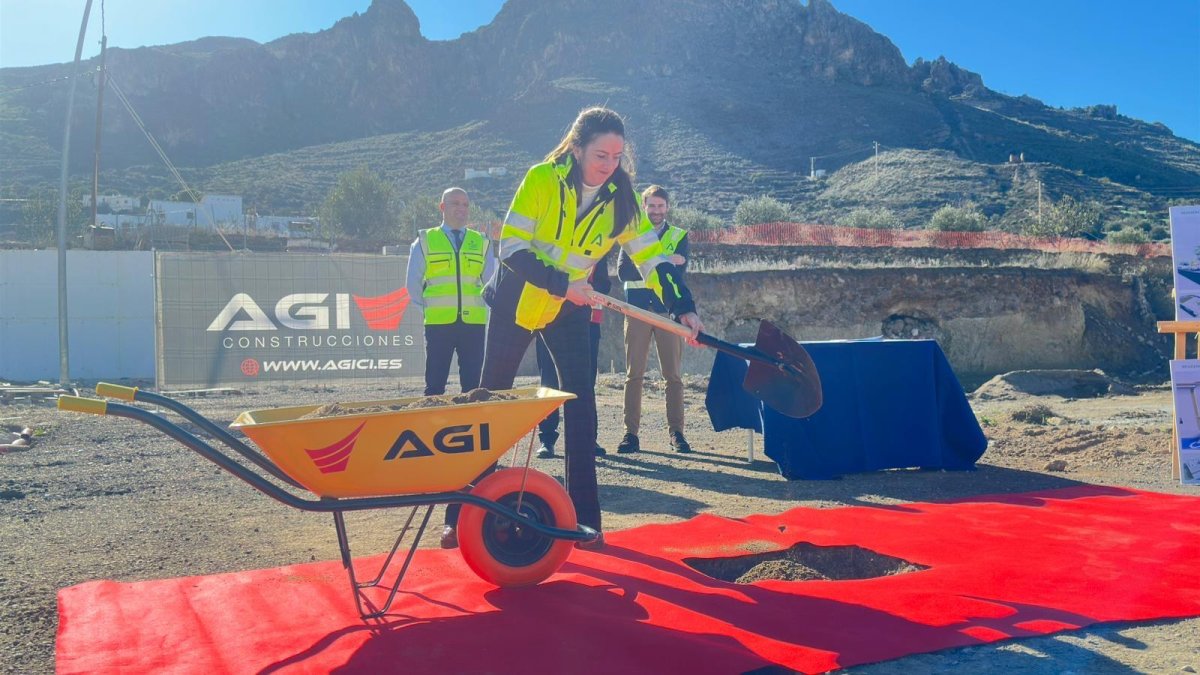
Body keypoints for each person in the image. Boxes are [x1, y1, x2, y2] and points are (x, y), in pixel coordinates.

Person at [441, 107, 703, 551]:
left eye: (618, 156)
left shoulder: (622, 198)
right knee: (490, 403)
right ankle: (459, 514)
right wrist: (564, 284)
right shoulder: (542, 178)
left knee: (581, 407)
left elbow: (651, 258)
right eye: (601, 154)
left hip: (568, 309)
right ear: (577, 148)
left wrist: (683, 306)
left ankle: (585, 522)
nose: (609, 164)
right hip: (518, 301)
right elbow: (512, 248)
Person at [615, 185, 692, 454]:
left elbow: (680, 273)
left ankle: (677, 433)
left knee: (673, 375)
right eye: (651, 206)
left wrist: (649, 263)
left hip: (666, 313)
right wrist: (665, 260)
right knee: (633, 374)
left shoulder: (679, 235)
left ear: (667, 207)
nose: (656, 211)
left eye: (661, 206)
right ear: (644, 207)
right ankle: (630, 435)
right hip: (637, 312)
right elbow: (624, 272)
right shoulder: (632, 234)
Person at [404, 187, 496, 396]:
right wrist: (429, 311)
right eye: (455, 203)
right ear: (442, 207)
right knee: (435, 386)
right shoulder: (425, 240)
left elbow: (490, 283)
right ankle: (435, 427)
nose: (461, 209)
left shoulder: (482, 242)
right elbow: (413, 284)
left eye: (465, 204)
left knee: (474, 388)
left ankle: (469, 426)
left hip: (473, 324)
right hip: (438, 324)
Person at [535, 254, 611, 459]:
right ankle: (547, 440)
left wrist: (585, 287)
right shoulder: (555, 246)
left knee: (585, 383)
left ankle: (587, 439)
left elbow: (605, 285)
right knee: (549, 382)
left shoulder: (598, 248)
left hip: (587, 322)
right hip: (549, 319)